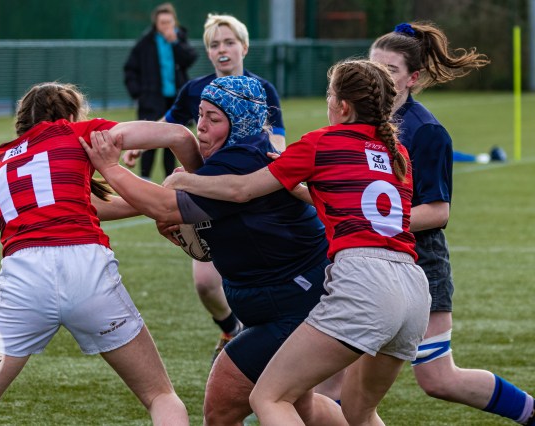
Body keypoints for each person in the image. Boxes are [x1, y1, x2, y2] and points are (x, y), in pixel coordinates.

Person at [164, 59, 433, 425]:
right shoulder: (398, 154)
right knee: (359, 413)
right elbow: (351, 204)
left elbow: (241, 190)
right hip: (414, 289)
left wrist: (183, 181)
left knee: (269, 398)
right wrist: (300, 188)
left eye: (329, 95)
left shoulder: (320, 142)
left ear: (342, 106)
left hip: (366, 283)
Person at [80, 75, 345, 425]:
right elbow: (205, 236)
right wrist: (181, 209)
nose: (202, 126)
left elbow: (164, 205)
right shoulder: (236, 154)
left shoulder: (240, 160)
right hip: (292, 299)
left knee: (221, 409)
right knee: (301, 407)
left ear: (239, 123)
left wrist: (110, 168)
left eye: (214, 118)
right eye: (200, 114)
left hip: (294, 305)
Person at [0, 82, 203, 426]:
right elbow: (179, 135)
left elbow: (80, 203)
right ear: (69, 115)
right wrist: (200, 186)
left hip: (23, 278)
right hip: (86, 268)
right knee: (160, 397)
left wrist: (157, 200)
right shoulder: (75, 132)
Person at [366, 21, 534, 425]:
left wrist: (372, 220)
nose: (377, 77)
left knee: (439, 379)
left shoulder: (425, 131)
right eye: (372, 67)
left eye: (389, 70)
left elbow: (437, 212)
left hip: (420, 266)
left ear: (412, 78)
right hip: (366, 264)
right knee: (336, 383)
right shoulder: (357, 121)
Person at [124, 13, 287, 362]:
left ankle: (258, 341)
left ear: (244, 47)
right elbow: (169, 126)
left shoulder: (260, 90)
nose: (222, 49)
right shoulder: (195, 89)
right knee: (205, 283)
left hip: (248, 199)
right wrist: (138, 143)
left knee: (256, 281)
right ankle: (230, 329)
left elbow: (277, 145)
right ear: (208, 52)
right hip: (208, 196)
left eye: (229, 42)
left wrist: (247, 165)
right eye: (214, 44)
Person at [123, 2, 198, 179]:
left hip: (175, 99)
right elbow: (130, 69)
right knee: (148, 139)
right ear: (156, 24)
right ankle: (145, 179)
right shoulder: (145, 42)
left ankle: (169, 180)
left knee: (171, 142)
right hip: (151, 99)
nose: (165, 26)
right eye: (162, 22)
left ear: (174, 22)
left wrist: (175, 43)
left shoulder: (179, 39)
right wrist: (138, 93)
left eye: (168, 22)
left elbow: (190, 59)